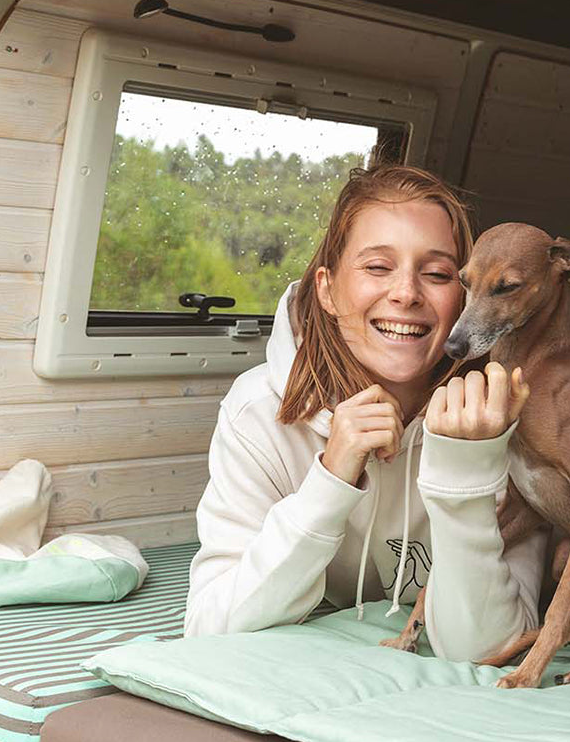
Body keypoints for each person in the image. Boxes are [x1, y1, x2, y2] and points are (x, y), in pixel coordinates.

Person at [183, 164, 546, 662]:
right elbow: (211, 627)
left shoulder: (511, 417)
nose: (406, 293)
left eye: (437, 274)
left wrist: (468, 470)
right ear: (328, 290)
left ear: (465, 292)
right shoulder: (258, 412)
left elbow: (491, 648)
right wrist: (330, 480)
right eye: (378, 267)